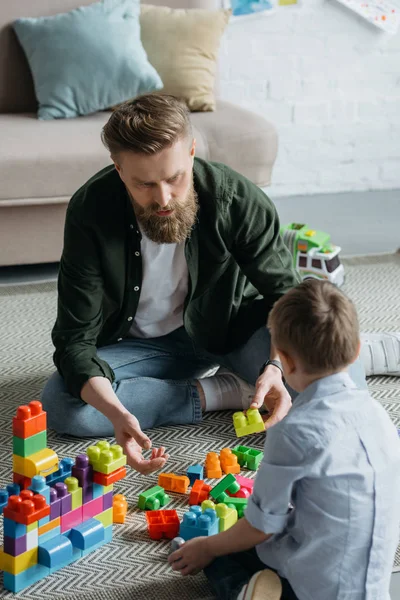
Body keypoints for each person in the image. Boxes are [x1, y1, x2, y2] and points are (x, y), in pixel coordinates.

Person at [41, 93, 398, 475]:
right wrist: (116, 414)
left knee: (330, 392)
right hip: (146, 345)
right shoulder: (90, 211)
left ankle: (369, 349)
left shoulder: (238, 199)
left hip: (234, 328)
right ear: (118, 169)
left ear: (192, 151)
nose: (163, 199)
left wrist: (276, 367)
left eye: (174, 178)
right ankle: (226, 391)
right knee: (63, 404)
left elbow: (287, 296)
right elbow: (74, 339)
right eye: (143, 184)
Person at [169, 279, 400, 600]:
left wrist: (207, 546)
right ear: (358, 350)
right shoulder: (379, 416)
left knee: (217, 553)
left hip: (315, 590)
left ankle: (246, 592)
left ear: (286, 364)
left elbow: (261, 526)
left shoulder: (293, 430)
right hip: (373, 587)